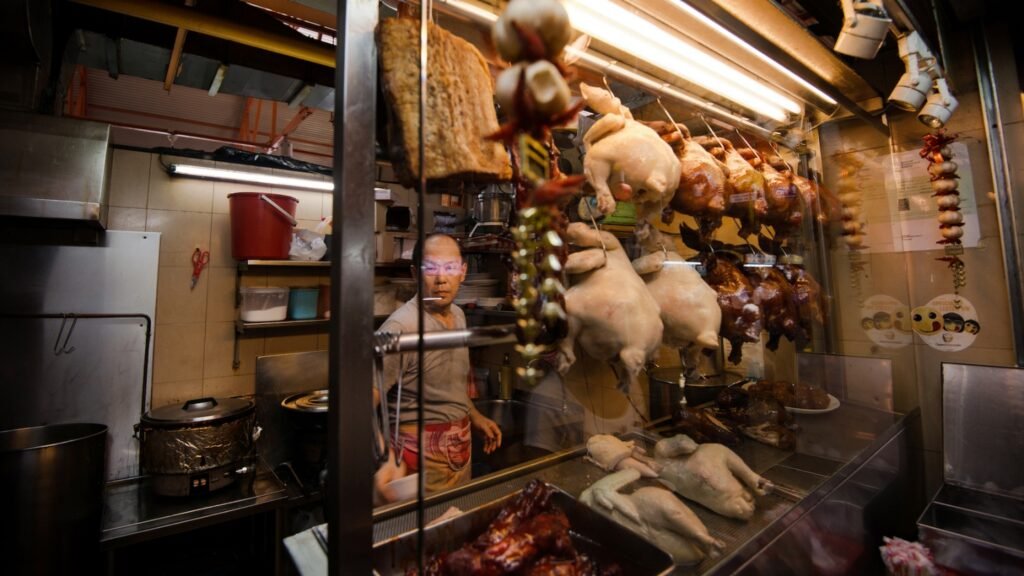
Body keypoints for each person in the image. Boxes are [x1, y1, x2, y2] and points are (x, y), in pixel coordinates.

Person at [373, 233, 502, 502]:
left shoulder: (458, 314)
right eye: (430, 269)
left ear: (463, 272)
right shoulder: (401, 328)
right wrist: (386, 457)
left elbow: (450, 383)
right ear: (413, 273)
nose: (441, 279)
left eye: (450, 268)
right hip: (413, 465)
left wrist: (474, 416)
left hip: (456, 461)